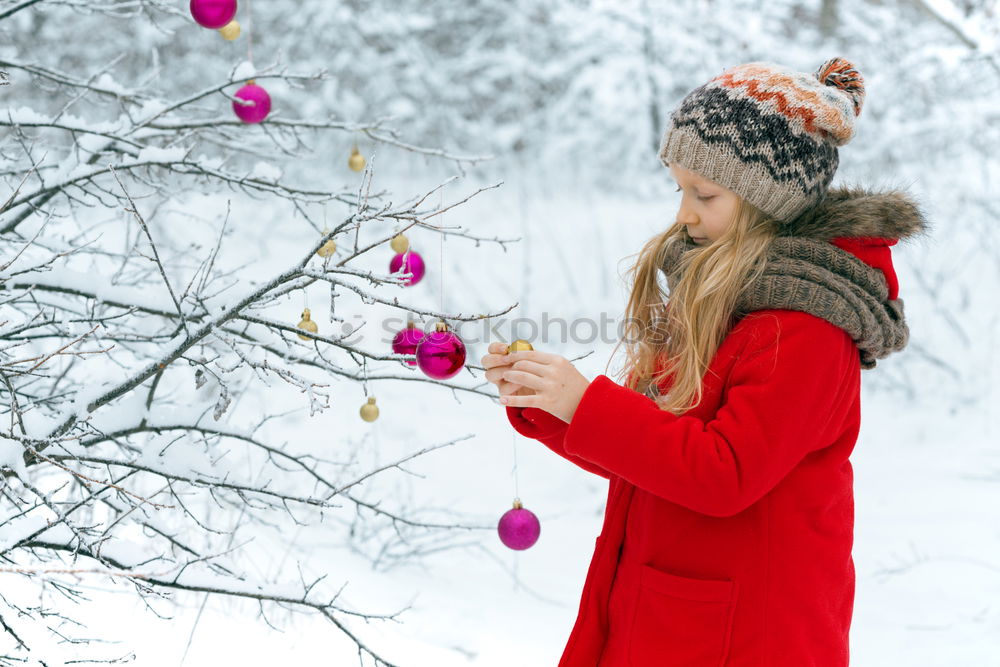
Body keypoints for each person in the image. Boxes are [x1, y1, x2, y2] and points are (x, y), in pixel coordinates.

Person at [480, 57, 930, 666]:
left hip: (748, 632)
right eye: (679, 188)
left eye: (705, 193)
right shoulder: (720, 296)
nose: (683, 212)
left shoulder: (804, 328)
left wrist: (585, 403)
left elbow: (724, 472)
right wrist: (552, 404)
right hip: (669, 606)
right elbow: (657, 445)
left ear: (765, 202)